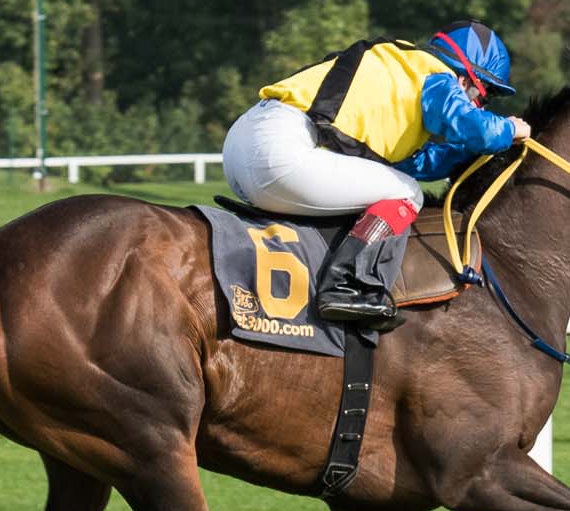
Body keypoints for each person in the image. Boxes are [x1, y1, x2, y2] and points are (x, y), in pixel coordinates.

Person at [222, 22, 529, 329]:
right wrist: (511, 129)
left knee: (395, 185)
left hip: (244, 143)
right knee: (408, 194)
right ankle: (343, 285)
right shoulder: (438, 77)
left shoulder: (402, 73)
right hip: (278, 150)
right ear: (465, 78)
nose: (481, 104)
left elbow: (417, 164)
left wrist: (470, 154)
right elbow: (474, 127)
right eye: (484, 96)